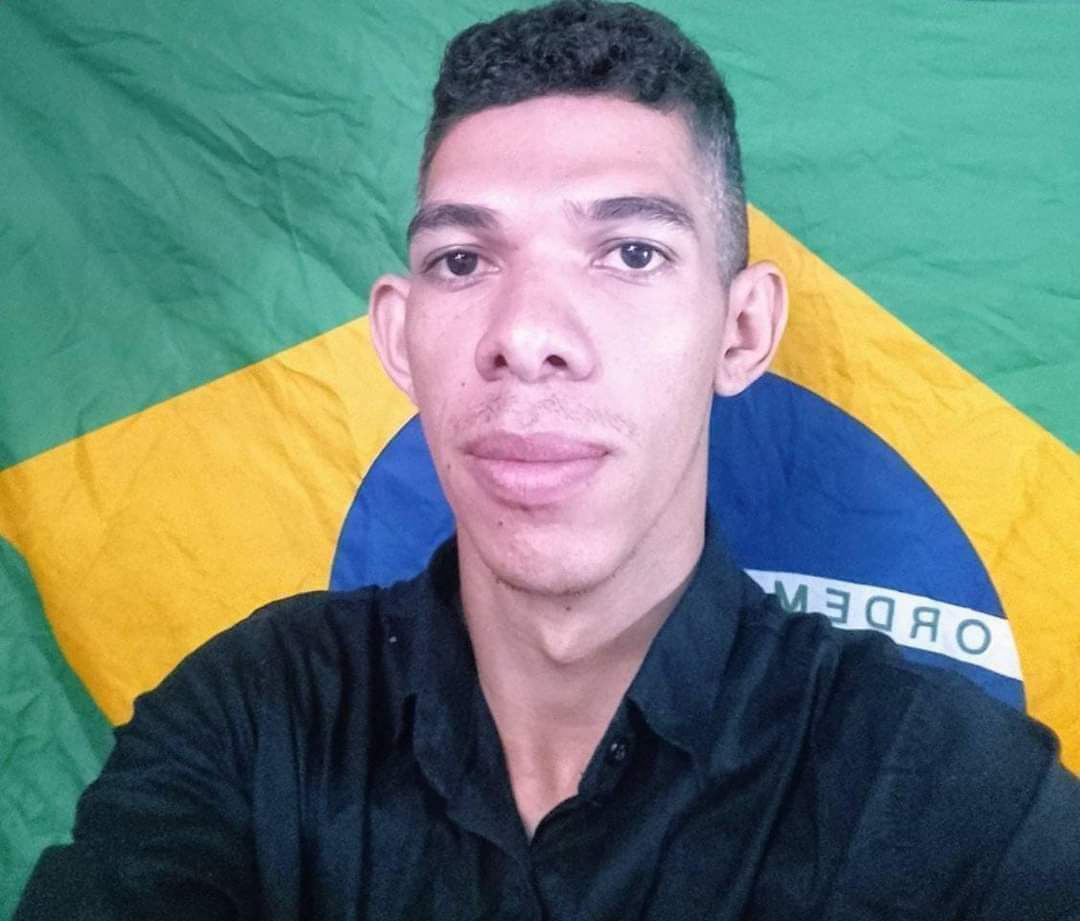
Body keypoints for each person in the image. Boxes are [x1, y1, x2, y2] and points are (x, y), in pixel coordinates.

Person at [16, 1, 1080, 918]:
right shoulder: (251, 725)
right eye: (462, 260)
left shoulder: (957, 799)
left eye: (632, 252)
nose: (526, 334)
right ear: (399, 336)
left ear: (743, 330)